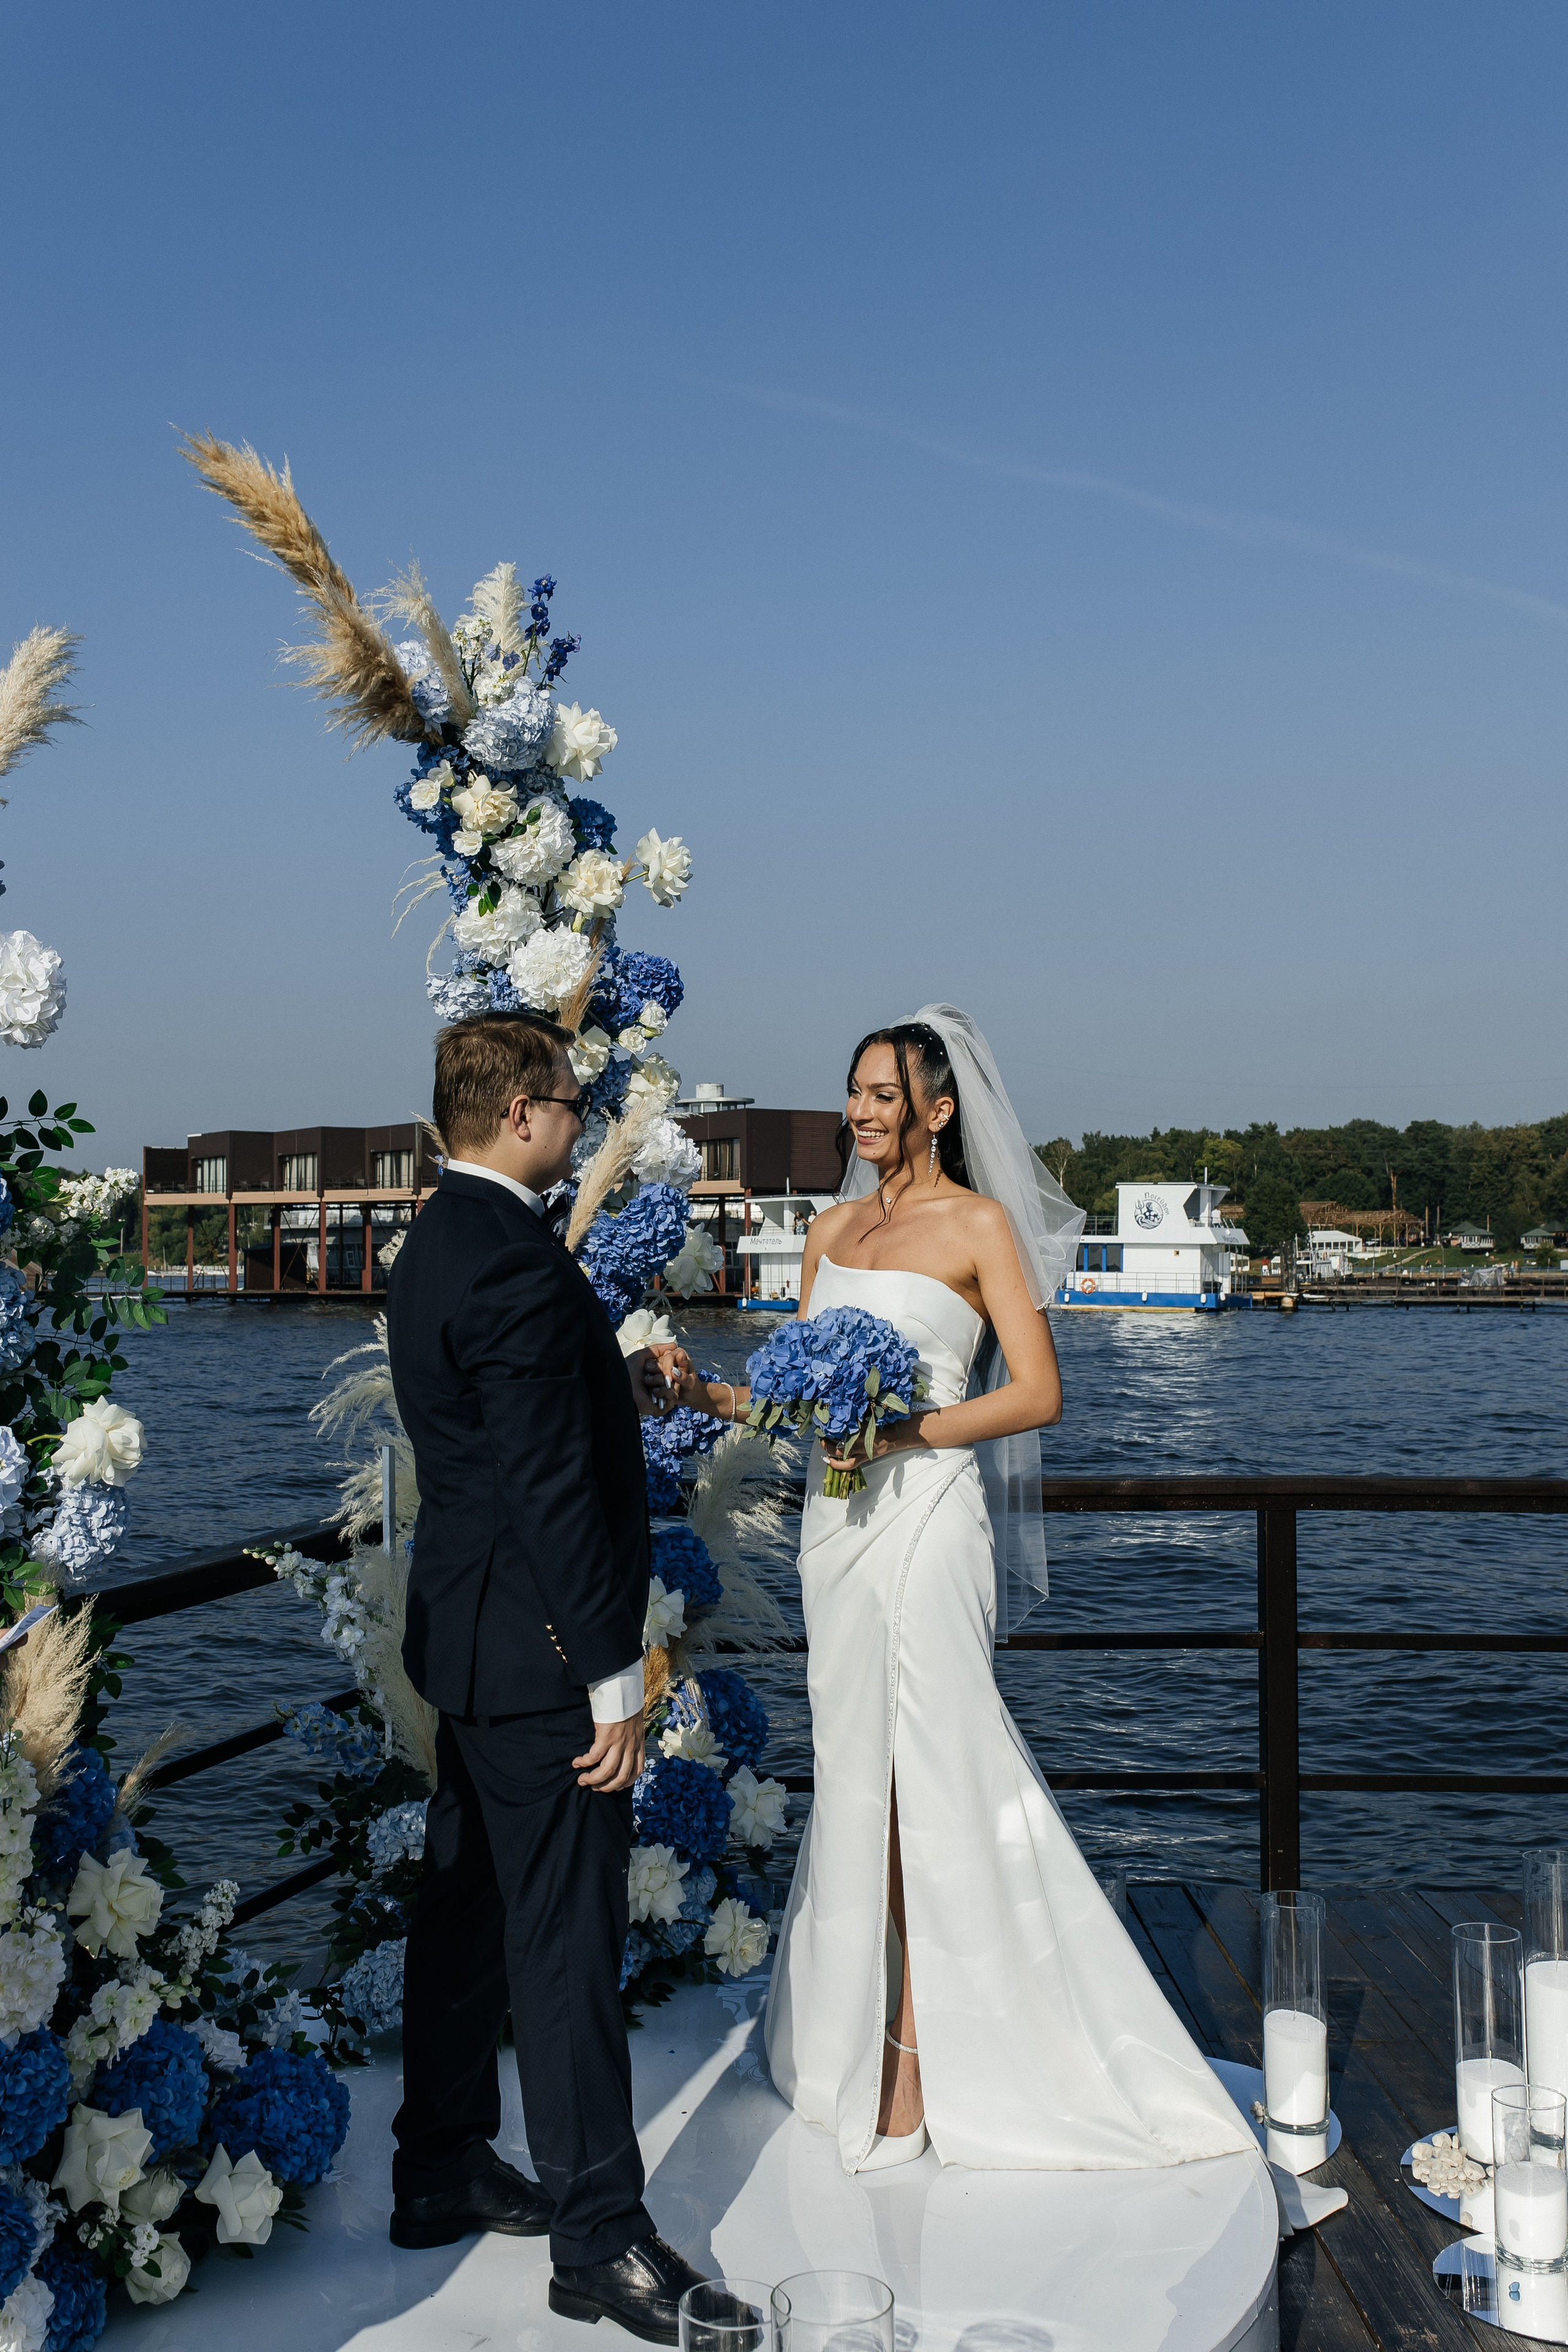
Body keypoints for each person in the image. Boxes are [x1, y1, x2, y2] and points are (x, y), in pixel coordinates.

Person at [668, 1005, 1255, 2174]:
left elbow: (1036, 1395)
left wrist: (904, 1433)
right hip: (835, 1528)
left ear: (939, 1109)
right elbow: (791, 1401)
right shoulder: (830, 1230)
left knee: (930, 1769)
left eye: (887, 1094)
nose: (864, 1112)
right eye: (855, 1092)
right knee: (850, 1768)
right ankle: (844, 2036)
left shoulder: (979, 1224)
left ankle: (919, 2055)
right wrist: (708, 1396)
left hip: (927, 1518)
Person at [385, 1008, 705, 2343]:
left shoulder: (438, 1241)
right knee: (562, 1945)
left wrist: (609, 1384)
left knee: (463, 1912)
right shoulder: (515, 1257)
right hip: (540, 1658)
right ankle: (600, 2239)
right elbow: (546, 1489)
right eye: (569, 1103)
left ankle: (440, 2164)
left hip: (463, 1645)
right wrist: (612, 1675)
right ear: (516, 1113)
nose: (580, 1122)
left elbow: (499, 1417)